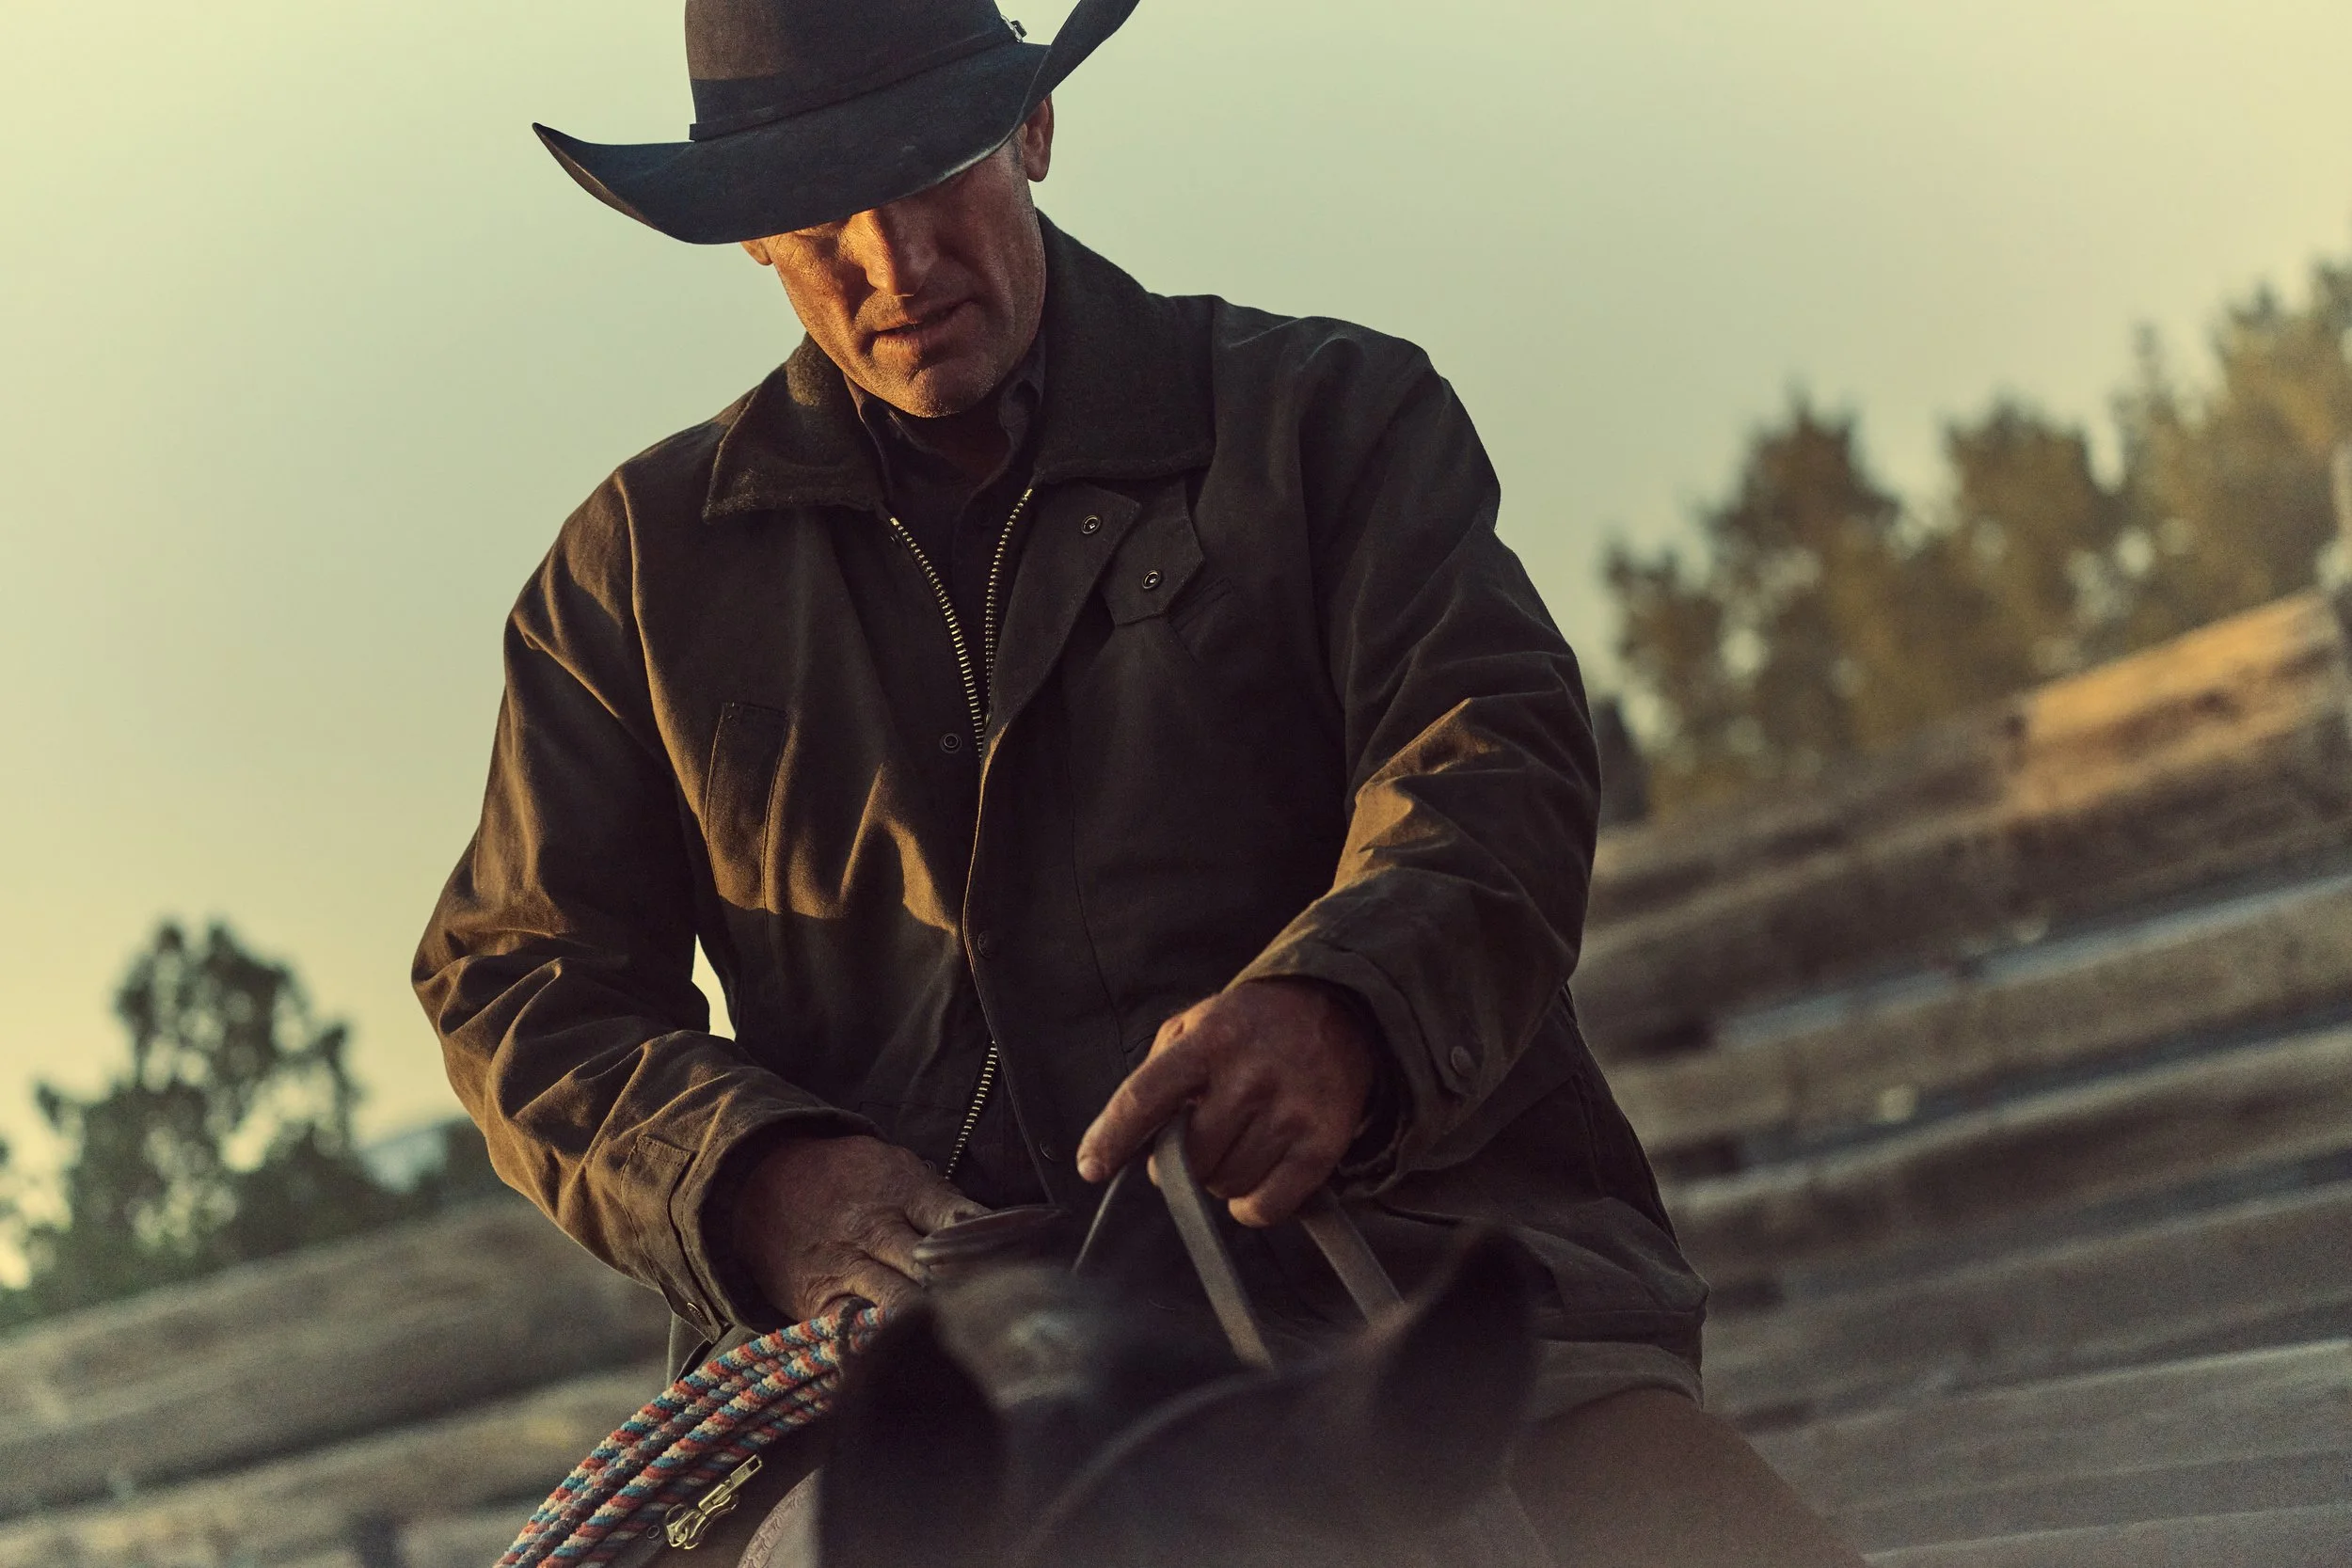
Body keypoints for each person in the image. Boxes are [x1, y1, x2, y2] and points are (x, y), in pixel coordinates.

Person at [415, 1, 1867, 1562]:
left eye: (933, 176)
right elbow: (519, 982)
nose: (893, 265)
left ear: (1033, 133)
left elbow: (1490, 756)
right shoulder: (633, 576)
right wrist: (763, 1182)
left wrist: (1343, 1011)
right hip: (913, 1386)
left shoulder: (1330, 424)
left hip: (1391, 1271)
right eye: (821, 214)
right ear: (751, 240)